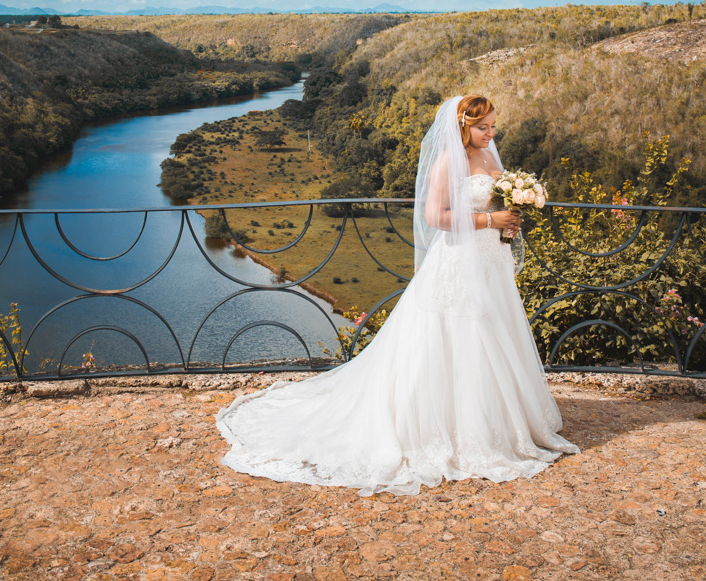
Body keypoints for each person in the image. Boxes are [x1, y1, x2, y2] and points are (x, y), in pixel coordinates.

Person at [215, 95, 578, 496]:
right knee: (454, 336)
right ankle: (449, 427)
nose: (491, 133)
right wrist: (490, 218)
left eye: (493, 126)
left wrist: (509, 221)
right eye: (483, 127)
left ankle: (499, 423)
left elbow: (497, 201)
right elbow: (434, 217)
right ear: (462, 127)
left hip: (490, 260)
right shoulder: (447, 161)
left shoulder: (491, 157)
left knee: (493, 333)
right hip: (458, 263)